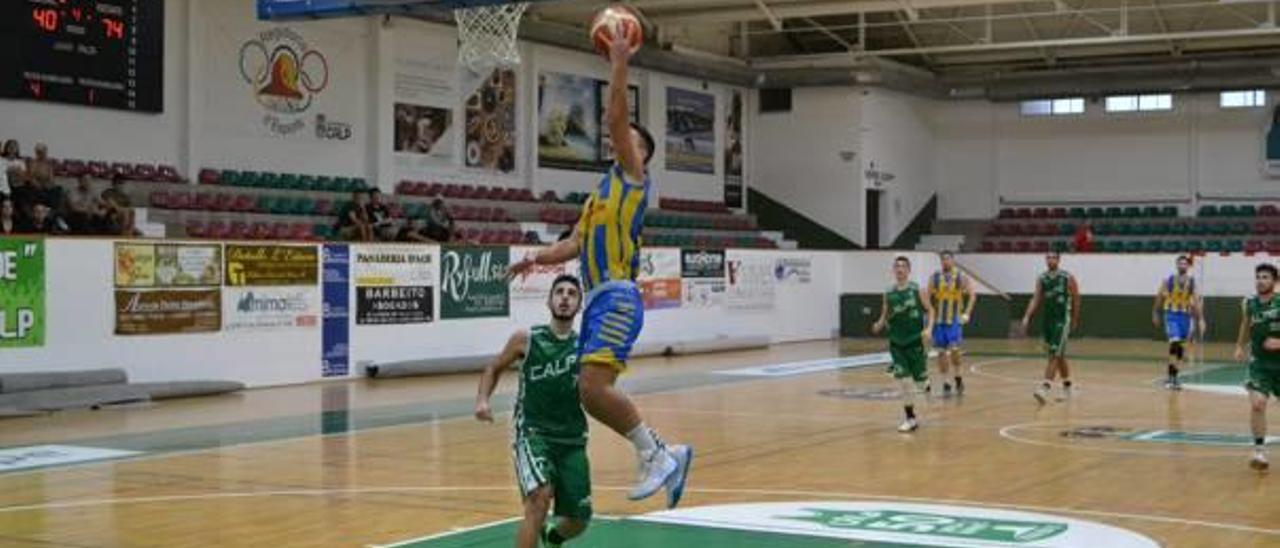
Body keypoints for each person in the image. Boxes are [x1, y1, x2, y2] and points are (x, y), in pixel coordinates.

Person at [506, 27, 693, 509]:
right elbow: (572, 243)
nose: (620, 138)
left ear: (641, 153)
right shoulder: (599, 196)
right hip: (598, 298)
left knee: (591, 388)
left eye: (630, 138)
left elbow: (614, 118)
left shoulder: (634, 176)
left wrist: (618, 62)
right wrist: (534, 258)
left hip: (617, 294)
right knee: (588, 389)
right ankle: (661, 452)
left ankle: (657, 455)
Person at [475, 275, 591, 548]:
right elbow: (493, 368)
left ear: (579, 305)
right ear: (548, 300)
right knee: (539, 498)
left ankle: (552, 538)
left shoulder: (585, 347)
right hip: (532, 432)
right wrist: (482, 400)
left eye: (572, 294)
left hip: (572, 439)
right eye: (559, 292)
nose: (564, 297)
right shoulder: (526, 339)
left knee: (579, 520)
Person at [872, 256, 935, 433]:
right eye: (897, 266)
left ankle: (926, 385)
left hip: (915, 341)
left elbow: (931, 310)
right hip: (896, 343)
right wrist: (879, 323)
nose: (900, 269)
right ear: (894, 270)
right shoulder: (888, 293)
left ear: (908, 270)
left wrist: (929, 328)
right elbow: (885, 314)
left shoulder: (918, 290)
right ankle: (910, 418)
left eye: (903, 266)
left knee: (919, 382)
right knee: (905, 383)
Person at [1235, 263, 1280, 472]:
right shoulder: (1249, 303)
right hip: (1260, 364)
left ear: (1274, 281)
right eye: (1258, 277)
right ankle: (1259, 451)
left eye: (1265, 277)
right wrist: (1239, 346)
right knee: (1257, 405)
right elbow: (1245, 324)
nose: (1260, 280)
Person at [1021, 252, 1081, 404]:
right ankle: (1068, 387)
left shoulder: (1067, 277)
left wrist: (1074, 319)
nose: (1050, 260)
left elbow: (1076, 298)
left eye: (1053, 257)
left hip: (1062, 320)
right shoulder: (1042, 278)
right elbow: (1035, 298)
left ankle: (1045, 387)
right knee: (1058, 355)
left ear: (1059, 260)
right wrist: (1027, 316)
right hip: (1048, 320)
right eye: (1048, 257)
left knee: (1054, 353)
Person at [926, 251, 975, 396]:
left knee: (954, 349)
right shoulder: (934, 277)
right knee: (941, 352)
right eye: (943, 259)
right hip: (939, 320)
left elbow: (972, 295)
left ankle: (958, 376)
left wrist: (967, 312)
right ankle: (945, 382)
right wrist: (929, 318)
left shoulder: (961, 276)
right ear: (940, 262)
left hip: (954, 318)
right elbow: (927, 299)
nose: (945, 262)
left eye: (948, 259)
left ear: (953, 261)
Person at [1153, 255, 1205, 390]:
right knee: (1174, 343)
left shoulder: (1192, 282)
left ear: (1188, 266)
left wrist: (1201, 319)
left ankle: (1174, 376)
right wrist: (1155, 312)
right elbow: (1159, 297)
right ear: (1177, 265)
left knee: (1180, 349)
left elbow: (1196, 302)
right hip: (1171, 315)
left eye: (1185, 264)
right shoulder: (1169, 280)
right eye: (1180, 263)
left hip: (1185, 317)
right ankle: (1171, 377)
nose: (1182, 265)